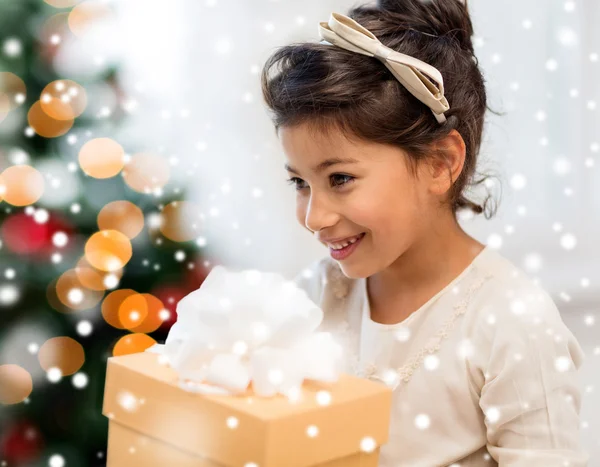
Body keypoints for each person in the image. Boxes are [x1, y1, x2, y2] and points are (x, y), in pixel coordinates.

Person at [260, 0, 589, 465]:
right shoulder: (317, 295)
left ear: (440, 164)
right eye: (300, 182)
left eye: (340, 179)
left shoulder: (512, 323)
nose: (314, 217)